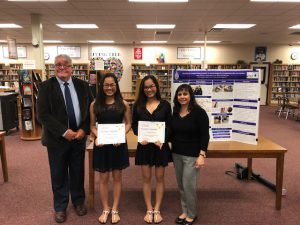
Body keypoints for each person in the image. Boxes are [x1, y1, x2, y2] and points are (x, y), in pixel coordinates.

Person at [37, 54, 93, 223]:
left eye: (65, 64)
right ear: (54, 67)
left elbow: (91, 110)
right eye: (58, 65)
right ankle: (60, 207)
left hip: (78, 138)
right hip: (57, 140)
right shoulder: (46, 87)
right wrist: (63, 131)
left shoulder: (83, 86)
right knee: (58, 173)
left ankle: (78, 202)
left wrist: (84, 129)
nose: (61, 67)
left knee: (77, 171)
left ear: (72, 67)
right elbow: (43, 115)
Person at [90, 73, 131, 224]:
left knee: (117, 178)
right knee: (103, 178)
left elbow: (128, 124)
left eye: (112, 85)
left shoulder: (123, 104)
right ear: (101, 86)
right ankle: (105, 208)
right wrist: (97, 136)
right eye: (106, 85)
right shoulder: (95, 104)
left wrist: (121, 135)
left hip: (117, 144)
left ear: (116, 85)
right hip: (102, 145)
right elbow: (92, 126)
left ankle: (115, 208)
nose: (109, 88)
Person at [132, 75, 172, 224]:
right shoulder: (138, 106)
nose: (149, 89)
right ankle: (149, 208)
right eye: (146, 87)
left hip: (160, 146)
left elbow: (169, 125)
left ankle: (157, 208)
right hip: (144, 146)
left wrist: (163, 139)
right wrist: (139, 135)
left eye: (151, 86)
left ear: (157, 86)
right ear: (143, 89)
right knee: (146, 179)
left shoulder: (165, 105)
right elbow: (135, 125)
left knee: (160, 178)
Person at [170, 84, 209, 225]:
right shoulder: (175, 111)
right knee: (181, 185)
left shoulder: (199, 112)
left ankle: (192, 213)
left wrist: (202, 155)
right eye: (179, 94)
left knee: (188, 185)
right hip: (177, 154)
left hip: (192, 156)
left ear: (191, 95)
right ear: (176, 97)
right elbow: (171, 132)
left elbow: (205, 135)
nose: (182, 97)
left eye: (185, 94)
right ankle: (185, 210)